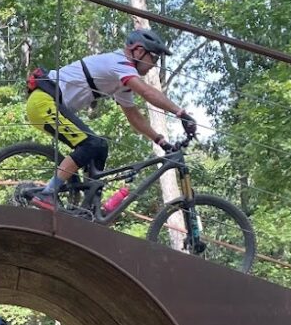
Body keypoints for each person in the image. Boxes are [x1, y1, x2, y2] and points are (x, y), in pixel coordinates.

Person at [24, 28, 197, 212]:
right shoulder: (119, 63)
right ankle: (48, 192)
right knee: (91, 144)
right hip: (44, 102)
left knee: (100, 147)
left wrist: (160, 141)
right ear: (138, 51)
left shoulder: (122, 80)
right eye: (154, 57)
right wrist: (180, 112)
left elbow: (133, 115)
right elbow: (147, 92)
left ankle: (90, 208)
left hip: (50, 105)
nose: (154, 65)